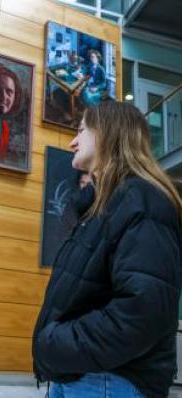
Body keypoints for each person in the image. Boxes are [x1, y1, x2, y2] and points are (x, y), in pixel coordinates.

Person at [33, 101, 182, 398]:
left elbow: (141, 310)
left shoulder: (142, 199)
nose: (73, 141)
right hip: (82, 374)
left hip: (108, 380)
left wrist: (57, 341)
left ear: (106, 133)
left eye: (81, 130)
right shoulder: (103, 207)